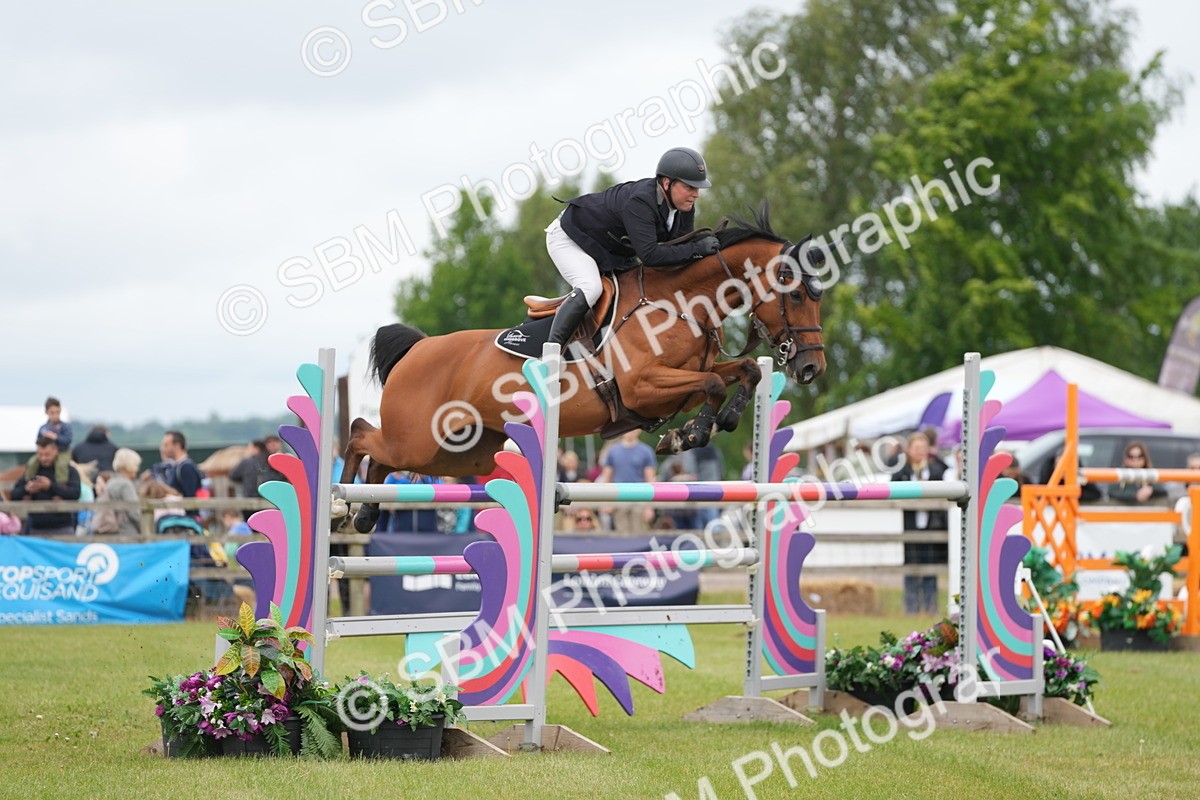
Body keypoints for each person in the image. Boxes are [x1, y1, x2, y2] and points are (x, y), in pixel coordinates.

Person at [543, 147, 719, 348]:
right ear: (667, 183)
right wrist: (698, 249)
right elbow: (651, 256)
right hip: (570, 239)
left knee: (639, 290)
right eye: (690, 187)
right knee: (591, 288)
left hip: (610, 250)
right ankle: (549, 355)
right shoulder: (640, 201)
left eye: (698, 189)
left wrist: (710, 247)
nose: (696, 194)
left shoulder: (684, 204)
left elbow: (682, 244)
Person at [890, 432, 948, 615]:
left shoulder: (936, 471)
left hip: (932, 526)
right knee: (911, 566)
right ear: (909, 450)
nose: (920, 452)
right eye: (916, 448)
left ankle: (931, 608)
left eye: (923, 448)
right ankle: (911, 609)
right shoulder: (902, 472)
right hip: (911, 527)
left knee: (930, 569)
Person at [10, 436, 82, 536]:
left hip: (62, 527)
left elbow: (75, 493)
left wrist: (50, 486)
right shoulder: (32, 471)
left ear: (55, 450)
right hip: (36, 528)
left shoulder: (69, 471)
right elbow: (14, 495)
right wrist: (27, 489)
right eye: (40, 454)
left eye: (47, 454)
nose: (43, 458)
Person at [600, 431, 657, 533]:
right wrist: (606, 502)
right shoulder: (612, 451)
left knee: (639, 533)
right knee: (621, 534)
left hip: (639, 499)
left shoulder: (646, 451)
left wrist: (649, 507)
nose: (630, 432)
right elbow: (607, 479)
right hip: (619, 499)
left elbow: (650, 481)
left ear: (639, 430)